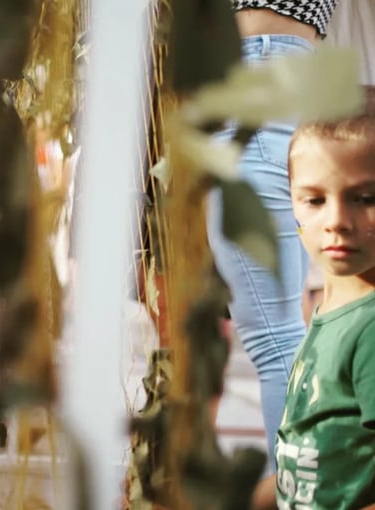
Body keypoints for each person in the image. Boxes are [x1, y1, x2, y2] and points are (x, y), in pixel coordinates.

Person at [207, 1, 339, 459]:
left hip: (257, 89)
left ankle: (301, 493)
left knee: (277, 341)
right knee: (289, 334)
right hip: (288, 84)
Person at [249, 89, 375, 509]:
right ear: (292, 205)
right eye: (315, 200)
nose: (337, 221)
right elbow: (304, 468)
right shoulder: (332, 313)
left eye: (366, 198)